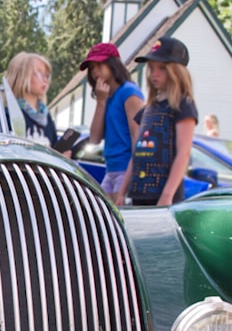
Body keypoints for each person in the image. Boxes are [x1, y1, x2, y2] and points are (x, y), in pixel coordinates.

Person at [117, 36, 196, 207]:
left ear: (176, 72)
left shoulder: (183, 105)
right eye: (151, 68)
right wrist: (122, 192)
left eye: (162, 68)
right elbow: (137, 153)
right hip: (138, 193)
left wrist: (167, 195)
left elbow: (184, 153)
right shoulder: (148, 109)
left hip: (164, 196)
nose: (154, 74)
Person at [79, 42, 145, 203]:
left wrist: (131, 180)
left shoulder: (129, 92)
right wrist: (101, 102)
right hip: (111, 170)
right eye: (92, 67)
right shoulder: (106, 96)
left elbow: (138, 137)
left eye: (99, 65)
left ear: (113, 64)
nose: (95, 71)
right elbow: (94, 139)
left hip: (126, 171)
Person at [4, 52, 58, 151]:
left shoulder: (46, 117)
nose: (45, 80)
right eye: (38, 73)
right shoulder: (8, 114)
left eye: (47, 75)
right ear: (21, 75)